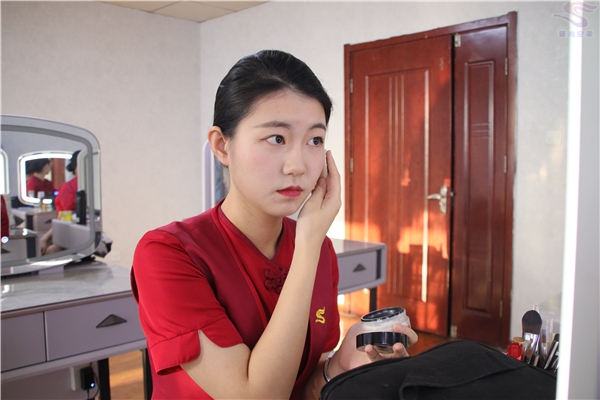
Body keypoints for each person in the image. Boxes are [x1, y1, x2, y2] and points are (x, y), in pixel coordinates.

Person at [131, 50, 418, 399]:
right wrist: (308, 245)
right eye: (277, 138)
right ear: (222, 146)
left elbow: (305, 385)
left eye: (314, 140)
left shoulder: (319, 248)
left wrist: (340, 365)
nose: (297, 165)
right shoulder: (167, 252)